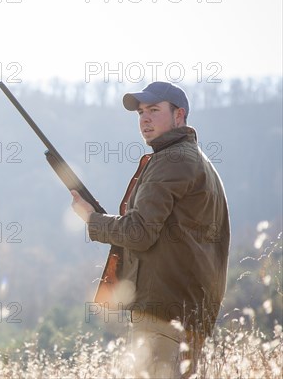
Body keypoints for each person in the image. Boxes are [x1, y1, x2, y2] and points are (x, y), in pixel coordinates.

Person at [70, 81, 230, 378]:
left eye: (154, 110)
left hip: (162, 317)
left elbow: (139, 232)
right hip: (183, 315)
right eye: (141, 112)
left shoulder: (173, 159)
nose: (144, 118)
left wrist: (92, 220)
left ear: (179, 116)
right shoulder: (194, 159)